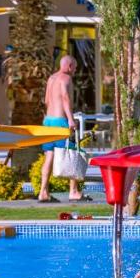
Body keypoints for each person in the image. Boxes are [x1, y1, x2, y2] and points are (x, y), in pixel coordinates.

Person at [39, 55, 85, 202]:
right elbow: (65, 98)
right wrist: (70, 119)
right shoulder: (66, 78)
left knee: (49, 156)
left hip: (48, 121)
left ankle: (43, 192)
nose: (75, 71)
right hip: (60, 121)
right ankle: (73, 192)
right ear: (70, 66)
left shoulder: (51, 78)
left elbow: (46, 100)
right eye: (75, 68)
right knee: (73, 152)